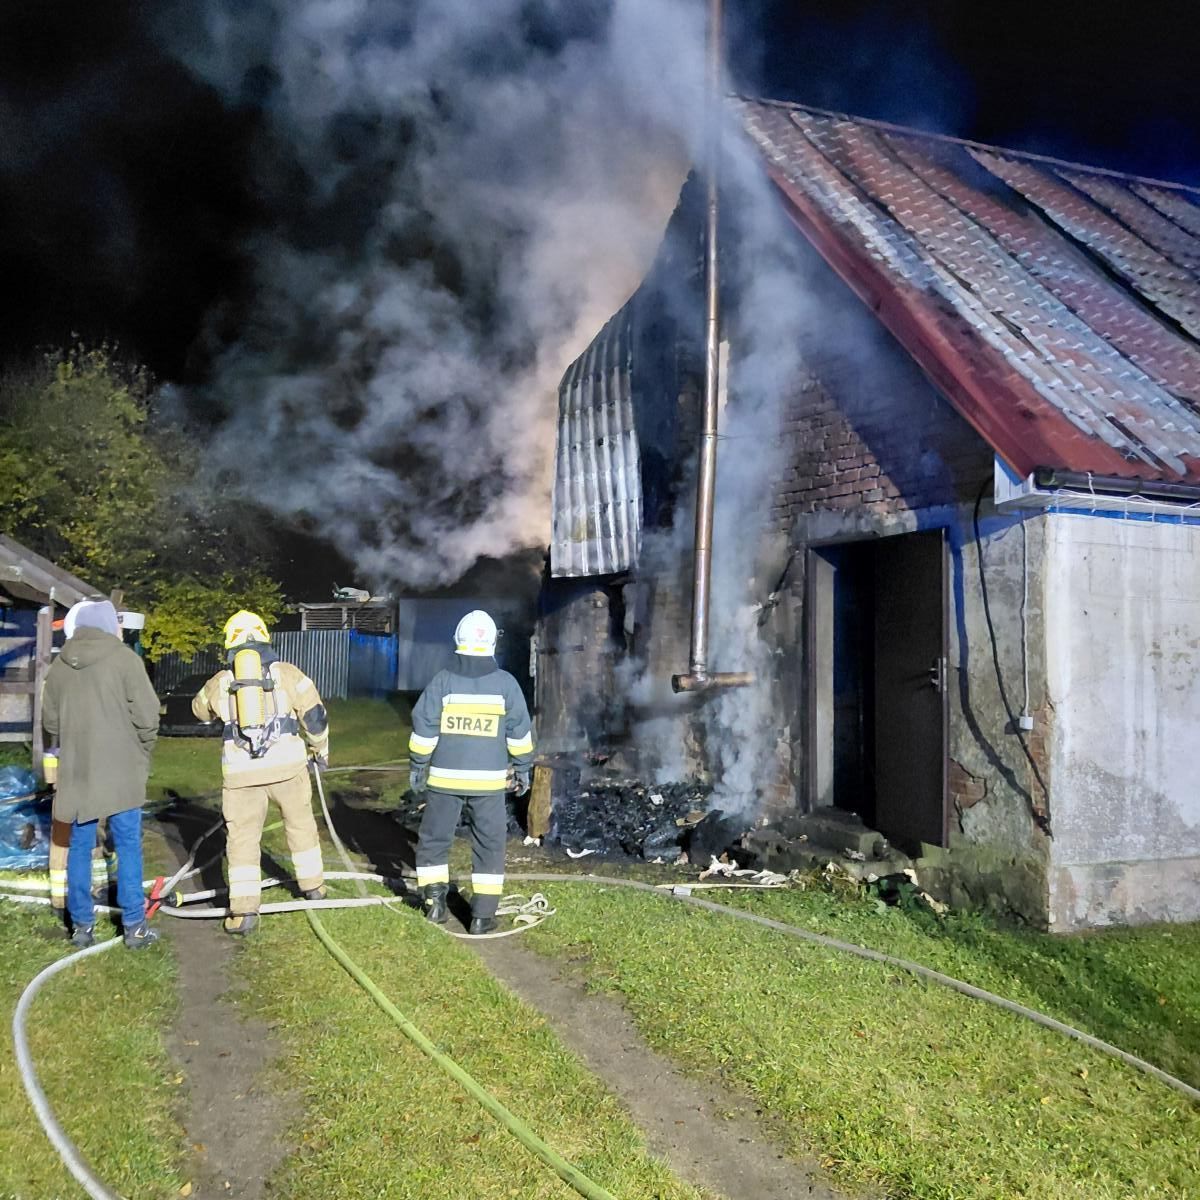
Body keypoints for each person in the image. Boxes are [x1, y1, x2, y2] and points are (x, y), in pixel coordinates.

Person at [192, 610, 330, 936]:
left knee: (242, 840)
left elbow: (198, 711)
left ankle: (244, 913)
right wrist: (320, 751)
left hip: (241, 778)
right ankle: (314, 888)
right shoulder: (288, 673)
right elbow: (315, 718)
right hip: (289, 771)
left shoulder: (221, 682)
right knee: (300, 826)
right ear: (265, 636)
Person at [41, 599, 160, 949]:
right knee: (127, 846)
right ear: (109, 625)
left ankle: (82, 927)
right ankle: (134, 927)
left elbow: (50, 723)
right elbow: (148, 717)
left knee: (78, 848)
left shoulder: (59, 667)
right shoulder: (125, 660)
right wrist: (142, 750)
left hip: (77, 774)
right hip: (122, 771)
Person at [408, 610, 533, 935]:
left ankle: (435, 904)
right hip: (488, 786)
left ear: (458, 642)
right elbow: (520, 734)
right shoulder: (506, 684)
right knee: (490, 845)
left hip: (443, 782)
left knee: (434, 840)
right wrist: (522, 770)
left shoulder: (443, 682)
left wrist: (419, 764)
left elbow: (424, 728)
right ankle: (481, 917)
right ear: (492, 643)